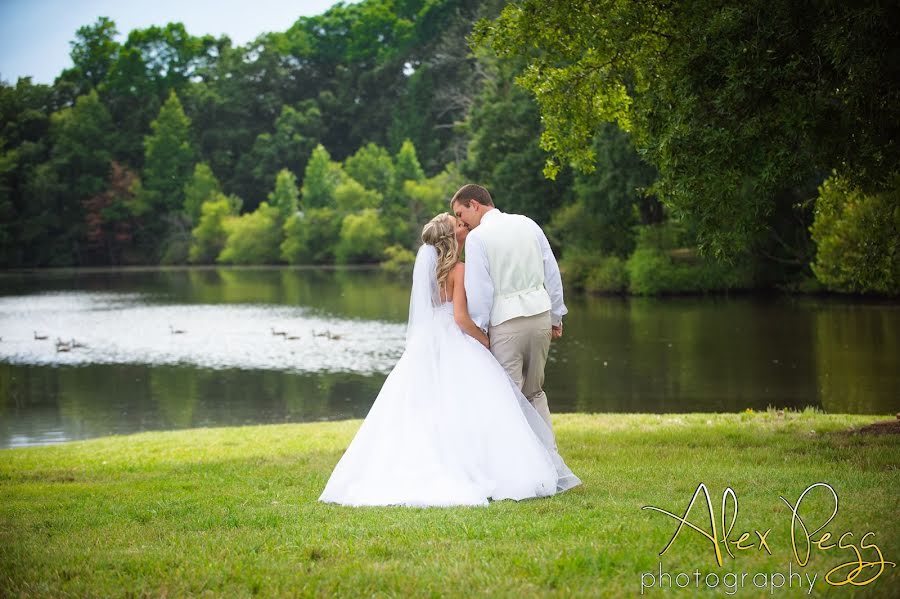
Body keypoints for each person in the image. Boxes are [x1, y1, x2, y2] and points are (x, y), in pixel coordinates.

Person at [319, 213, 580, 507]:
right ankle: (483, 463)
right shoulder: (459, 270)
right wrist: (485, 340)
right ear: (451, 238)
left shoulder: (427, 274)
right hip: (457, 340)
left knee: (427, 406)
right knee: (475, 403)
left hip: (428, 342)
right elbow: (460, 318)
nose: (463, 226)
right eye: (457, 225)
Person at [451, 184, 566, 442]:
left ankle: (518, 471)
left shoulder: (478, 238)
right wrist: (556, 317)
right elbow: (552, 272)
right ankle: (550, 464)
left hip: (505, 325)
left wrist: (480, 333)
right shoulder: (528, 224)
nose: (461, 222)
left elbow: (480, 291)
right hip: (539, 319)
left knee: (507, 398)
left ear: (475, 205)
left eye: (461, 214)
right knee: (535, 393)